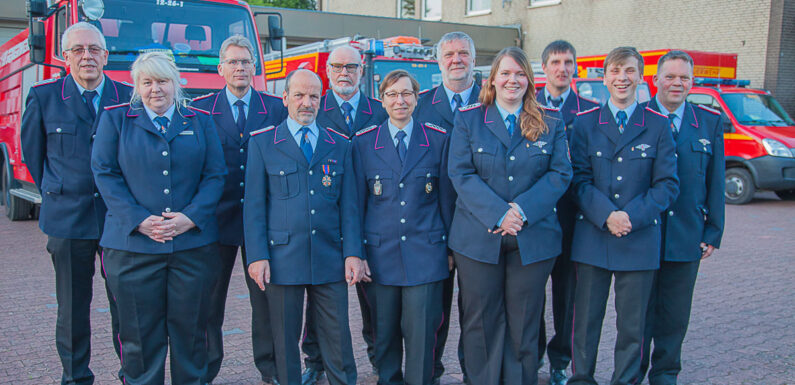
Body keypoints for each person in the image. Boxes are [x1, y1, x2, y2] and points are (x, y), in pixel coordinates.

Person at [91, 51, 226, 384]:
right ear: (137, 86)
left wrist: (190, 218)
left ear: (176, 83)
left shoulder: (200, 120)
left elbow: (215, 175)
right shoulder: (115, 120)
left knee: (192, 336)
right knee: (139, 338)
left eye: (162, 81)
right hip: (134, 249)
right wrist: (139, 220)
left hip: (191, 248)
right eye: (147, 82)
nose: (155, 89)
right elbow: (105, 173)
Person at [447, 46, 572, 385]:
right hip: (478, 238)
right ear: (492, 79)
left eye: (519, 74)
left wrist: (521, 210)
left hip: (533, 238)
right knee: (480, 322)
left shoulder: (551, 120)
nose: (512, 80)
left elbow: (560, 173)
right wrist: (500, 213)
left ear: (529, 80)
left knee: (524, 321)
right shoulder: (469, 119)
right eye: (505, 73)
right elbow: (460, 172)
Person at [20, 21, 131, 385]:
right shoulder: (44, 97)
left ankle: (132, 375)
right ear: (65, 56)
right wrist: (59, 189)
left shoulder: (128, 96)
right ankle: (76, 377)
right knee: (72, 309)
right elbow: (35, 156)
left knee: (127, 306)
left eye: (94, 49)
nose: (87, 56)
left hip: (118, 220)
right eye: (78, 50)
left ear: (106, 55)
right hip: (68, 219)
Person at [244, 69, 366, 385]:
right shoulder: (263, 143)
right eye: (299, 95)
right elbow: (254, 207)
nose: (306, 102)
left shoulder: (339, 144)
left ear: (321, 100)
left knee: (338, 335)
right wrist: (257, 256)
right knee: (284, 338)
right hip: (282, 256)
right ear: (285, 98)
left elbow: (350, 206)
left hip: (329, 255)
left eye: (313, 96)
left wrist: (353, 253)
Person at [568, 47, 679, 385]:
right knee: (585, 322)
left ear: (641, 77)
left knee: (633, 326)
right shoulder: (585, 124)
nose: (622, 78)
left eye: (629, 71)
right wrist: (607, 215)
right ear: (604, 78)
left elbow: (667, 185)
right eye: (615, 71)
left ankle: (626, 380)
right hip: (593, 236)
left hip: (638, 238)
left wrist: (629, 217)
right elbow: (577, 179)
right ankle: (581, 379)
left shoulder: (658, 125)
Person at [190, 35, 286, 385]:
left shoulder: (275, 108)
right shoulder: (200, 109)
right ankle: (205, 370)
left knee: (266, 301)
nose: (240, 67)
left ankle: (271, 369)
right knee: (208, 302)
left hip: (263, 221)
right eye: (233, 62)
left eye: (245, 62)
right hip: (216, 220)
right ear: (221, 68)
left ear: (254, 67)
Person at [352, 69, 455, 385]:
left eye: (407, 93)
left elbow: (447, 200)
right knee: (384, 334)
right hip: (380, 256)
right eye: (393, 94)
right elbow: (355, 206)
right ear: (382, 100)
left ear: (416, 98)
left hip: (426, 254)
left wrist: (451, 249)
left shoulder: (437, 139)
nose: (400, 100)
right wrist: (357, 253)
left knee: (423, 333)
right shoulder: (363, 143)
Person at [300, 45, 387, 385]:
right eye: (337, 66)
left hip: (373, 215)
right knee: (319, 297)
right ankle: (315, 360)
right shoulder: (314, 107)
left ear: (361, 70)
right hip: (325, 217)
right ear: (327, 71)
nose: (344, 73)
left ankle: (378, 357)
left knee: (374, 295)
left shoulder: (379, 110)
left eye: (351, 66)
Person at [639, 50, 725, 385]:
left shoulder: (708, 122)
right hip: (643, 234)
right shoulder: (638, 117)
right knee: (638, 315)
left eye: (684, 78)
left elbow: (715, 181)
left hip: (686, 234)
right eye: (670, 77)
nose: (677, 83)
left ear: (693, 82)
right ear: (655, 80)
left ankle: (665, 374)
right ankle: (632, 373)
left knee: (674, 316)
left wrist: (713, 230)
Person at [413, 31, 481, 383]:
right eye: (449, 54)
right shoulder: (421, 105)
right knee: (433, 311)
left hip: (479, 225)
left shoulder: (491, 100)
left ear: (474, 58)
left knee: (475, 310)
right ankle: (431, 371)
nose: (457, 60)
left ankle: (474, 372)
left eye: (463, 53)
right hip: (432, 226)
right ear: (438, 61)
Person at [535, 39, 599, 385]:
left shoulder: (590, 112)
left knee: (568, 298)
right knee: (530, 296)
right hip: (535, 220)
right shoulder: (526, 105)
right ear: (544, 67)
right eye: (556, 62)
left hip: (574, 221)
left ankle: (560, 361)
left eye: (568, 62)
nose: (562, 68)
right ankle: (531, 356)